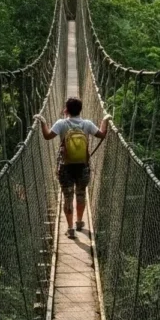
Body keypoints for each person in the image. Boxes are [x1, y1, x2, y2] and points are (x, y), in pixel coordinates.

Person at [35, 97, 110, 239]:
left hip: (65, 167)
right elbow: (102, 134)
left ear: (66, 110)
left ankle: (70, 229)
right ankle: (80, 222)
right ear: (80, 110)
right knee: (80, 194)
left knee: (67, 197)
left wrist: (43, 122)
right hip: (83, 166)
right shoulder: (87, 124)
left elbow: (47, 136)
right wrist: (105, 119)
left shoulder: (61, 124)